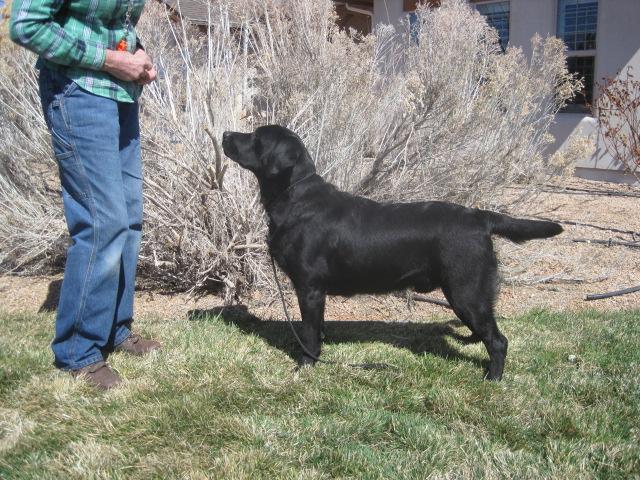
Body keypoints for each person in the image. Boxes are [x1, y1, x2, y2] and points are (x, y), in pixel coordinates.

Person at [10, 0, 161, 389]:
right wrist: (109, 60)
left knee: (127, 218)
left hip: (119, 94)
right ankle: (78, 350)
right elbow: (27, 26)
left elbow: (110, 23)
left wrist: (136, 50)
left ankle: (115, 327)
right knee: (102, 222)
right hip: (77, 91)